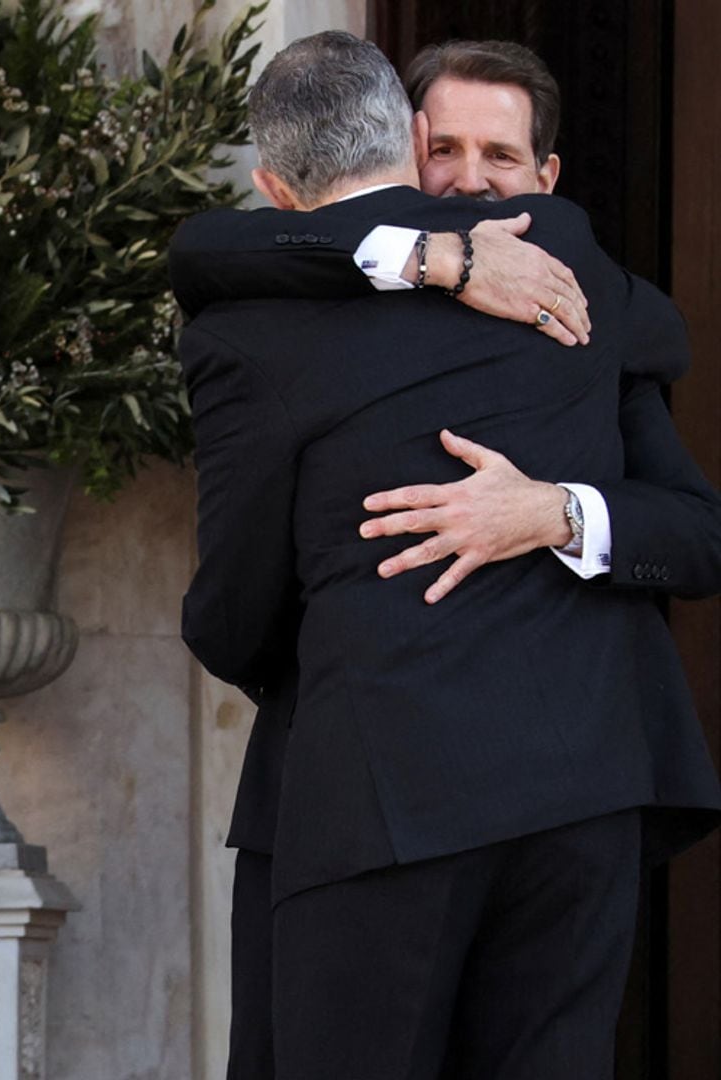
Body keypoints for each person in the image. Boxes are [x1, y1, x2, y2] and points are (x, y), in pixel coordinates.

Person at [175, 34, 721, 1079]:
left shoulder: (552, 270)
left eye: (501, 162)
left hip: (417, 785)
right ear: (412, 140)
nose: (470, 185)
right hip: (544, 792)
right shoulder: (553, 255)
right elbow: (209, 245)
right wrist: (440, 257)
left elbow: (230, 611)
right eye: (450, 154)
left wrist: (555, 512)